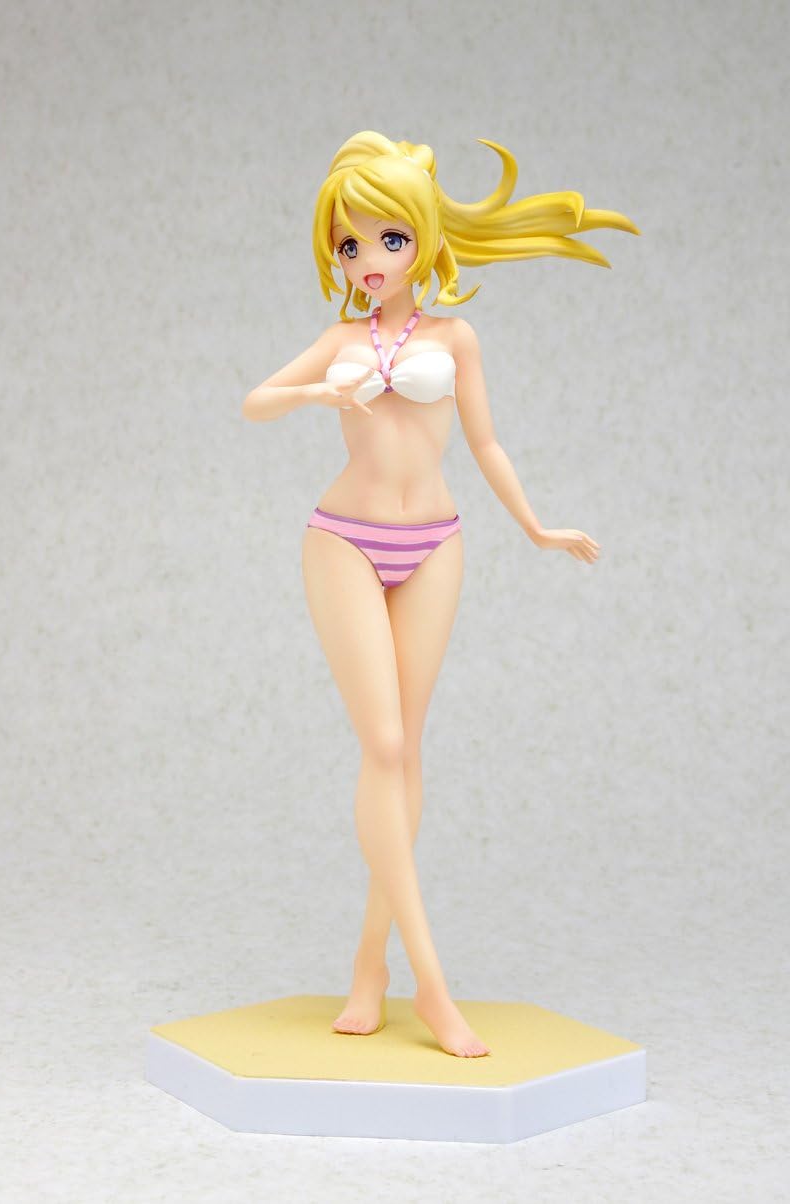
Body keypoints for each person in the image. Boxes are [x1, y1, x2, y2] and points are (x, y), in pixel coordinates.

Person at [242, 130, 639, 1057]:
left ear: (422, 237)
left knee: (406, 752)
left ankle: (369, 964)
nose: (368, 259)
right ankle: (431, 983)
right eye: (349, 244)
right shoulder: (341, 340)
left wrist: (535, 525)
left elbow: (486, 442)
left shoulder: (456, 338)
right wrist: (314, 397)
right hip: (343, 541)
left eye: (389, 238)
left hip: (436, 545)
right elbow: (256, 400)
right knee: (382, 745)